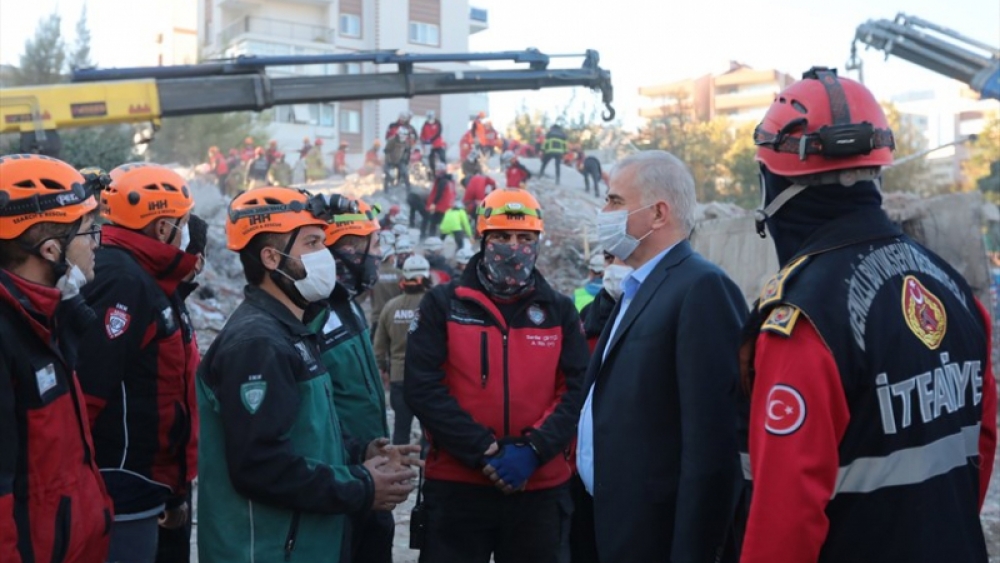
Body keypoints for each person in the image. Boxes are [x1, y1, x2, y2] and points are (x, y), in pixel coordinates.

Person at [740, 67, 997, 563]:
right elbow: (980, 448)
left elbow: (784, 520)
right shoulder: (955, 291)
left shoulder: (805, 321)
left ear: (773, 179)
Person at [196, 187, 418, 562]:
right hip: (267, 549)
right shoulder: (258, 344)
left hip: (304, 545)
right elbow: (261, 465)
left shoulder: (294, 329)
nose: (326, 256)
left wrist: (358, 451)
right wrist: (362, 486)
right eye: (313, 243)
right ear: (271, 258)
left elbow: (306, 433)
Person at [577, 150, 747, 563]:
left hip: (654, 536)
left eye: (615, 201)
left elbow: (712, 449)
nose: (604, 211)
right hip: (609, 525)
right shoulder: (634, 290)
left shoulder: (701, 288)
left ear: (657, 213)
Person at [405, 188, 589, 563]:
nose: (513, 247)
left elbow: (575, 391)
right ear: (482, 239)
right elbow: (424, 387)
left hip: (538, 489)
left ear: (538, 241)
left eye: (524, 238)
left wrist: (534, 450)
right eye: (502, 237)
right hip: (458, 488)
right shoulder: (443, 304)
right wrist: (483, 450)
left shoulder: (560, 311)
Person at [76, 163, 203, 562]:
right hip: (129, 491)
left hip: (153, 488)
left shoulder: (148, 278)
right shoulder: (123, 281)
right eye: (182, 223)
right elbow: (89, 395)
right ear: (163, 229)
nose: (188, 233)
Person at [0, 154, 114, 563]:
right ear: (51, 250)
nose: (97, 244)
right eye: (88, 232)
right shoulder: (12, 333)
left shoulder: (47, 315)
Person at [313, 198, 404, 563]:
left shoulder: (348, 304)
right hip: (341, 480)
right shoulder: (312, 313)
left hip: (369, 475)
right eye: (373, 244)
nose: (378, 255)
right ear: (348, 248)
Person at [374, 255, 433, 445]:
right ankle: (426, 469)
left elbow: (379, 347)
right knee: (429, 433)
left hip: (399, 377)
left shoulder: (390, 307)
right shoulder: (433, 305)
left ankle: (398, 470)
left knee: (400, 429)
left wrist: (383, 369)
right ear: (425, 277)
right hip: (428, 378)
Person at [367, 230, 403, 337]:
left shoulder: (372, 274)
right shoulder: (400, 274)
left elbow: (362, 296)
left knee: (376, 350)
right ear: (391, 257)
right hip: (395, 318)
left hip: (377, 318)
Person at [424, 169, 455, 239]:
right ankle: (442, 239)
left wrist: (434, 203)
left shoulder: (442, 181)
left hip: (441, 206)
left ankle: (432, 238)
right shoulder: (450, 182)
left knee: (433, 222)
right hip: (448, 206)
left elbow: (439, 193)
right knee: (443, 223)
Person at [421, 110, 447, 175]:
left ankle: (444, 171)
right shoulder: (425, 124)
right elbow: (422, 134)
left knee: (442, 157)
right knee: (430, 159)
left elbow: (438, 132)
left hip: (438, 144)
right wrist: (423, 140)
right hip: (429, 146)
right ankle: (433, 173)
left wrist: (432, 139)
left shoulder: (438, 123)